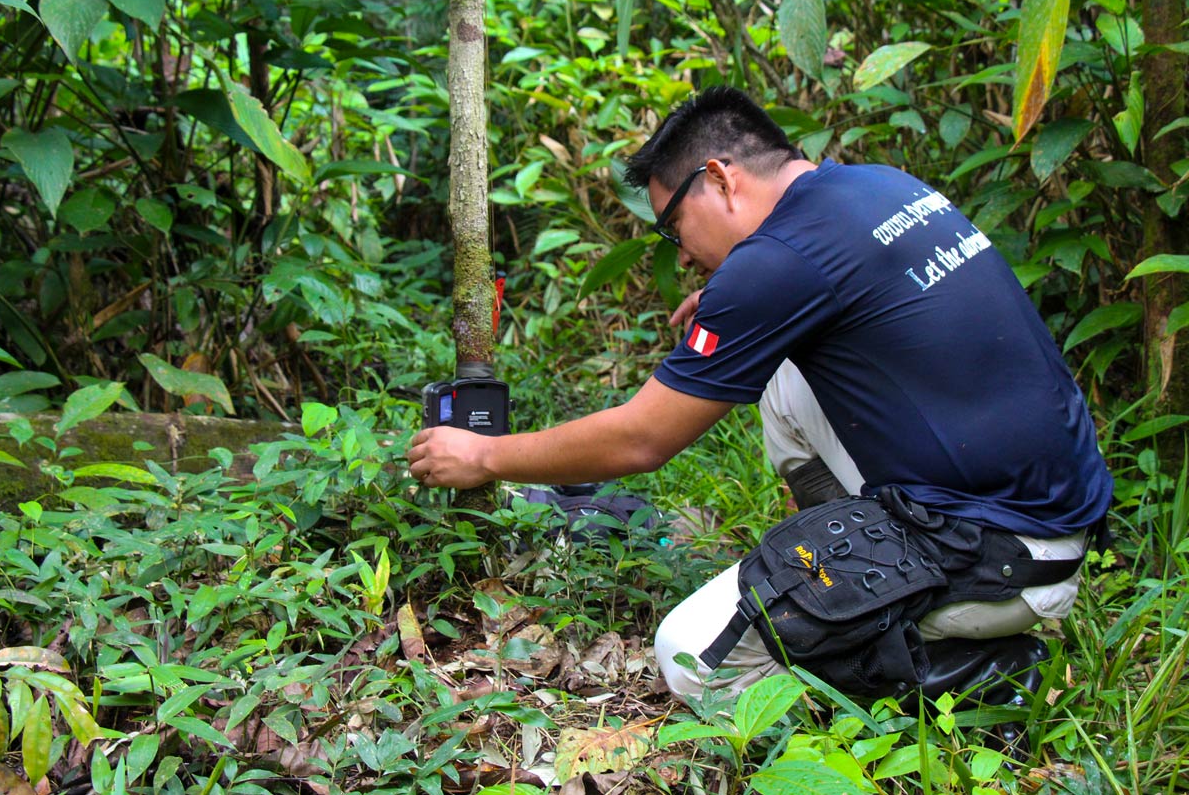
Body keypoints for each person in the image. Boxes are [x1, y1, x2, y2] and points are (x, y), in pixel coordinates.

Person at [408, 86, 1113, 702]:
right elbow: (850, 285)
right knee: (780, 380)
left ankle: (967, 672)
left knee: (688, 656)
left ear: (719, 178)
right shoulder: (877, 186)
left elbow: (642, 437)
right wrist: (738, 296)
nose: (680, 253)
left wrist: (486, 457)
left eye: (673, 226)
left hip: (996, 556)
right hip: (1052, 516)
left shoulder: (777, 266)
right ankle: (861, 587)